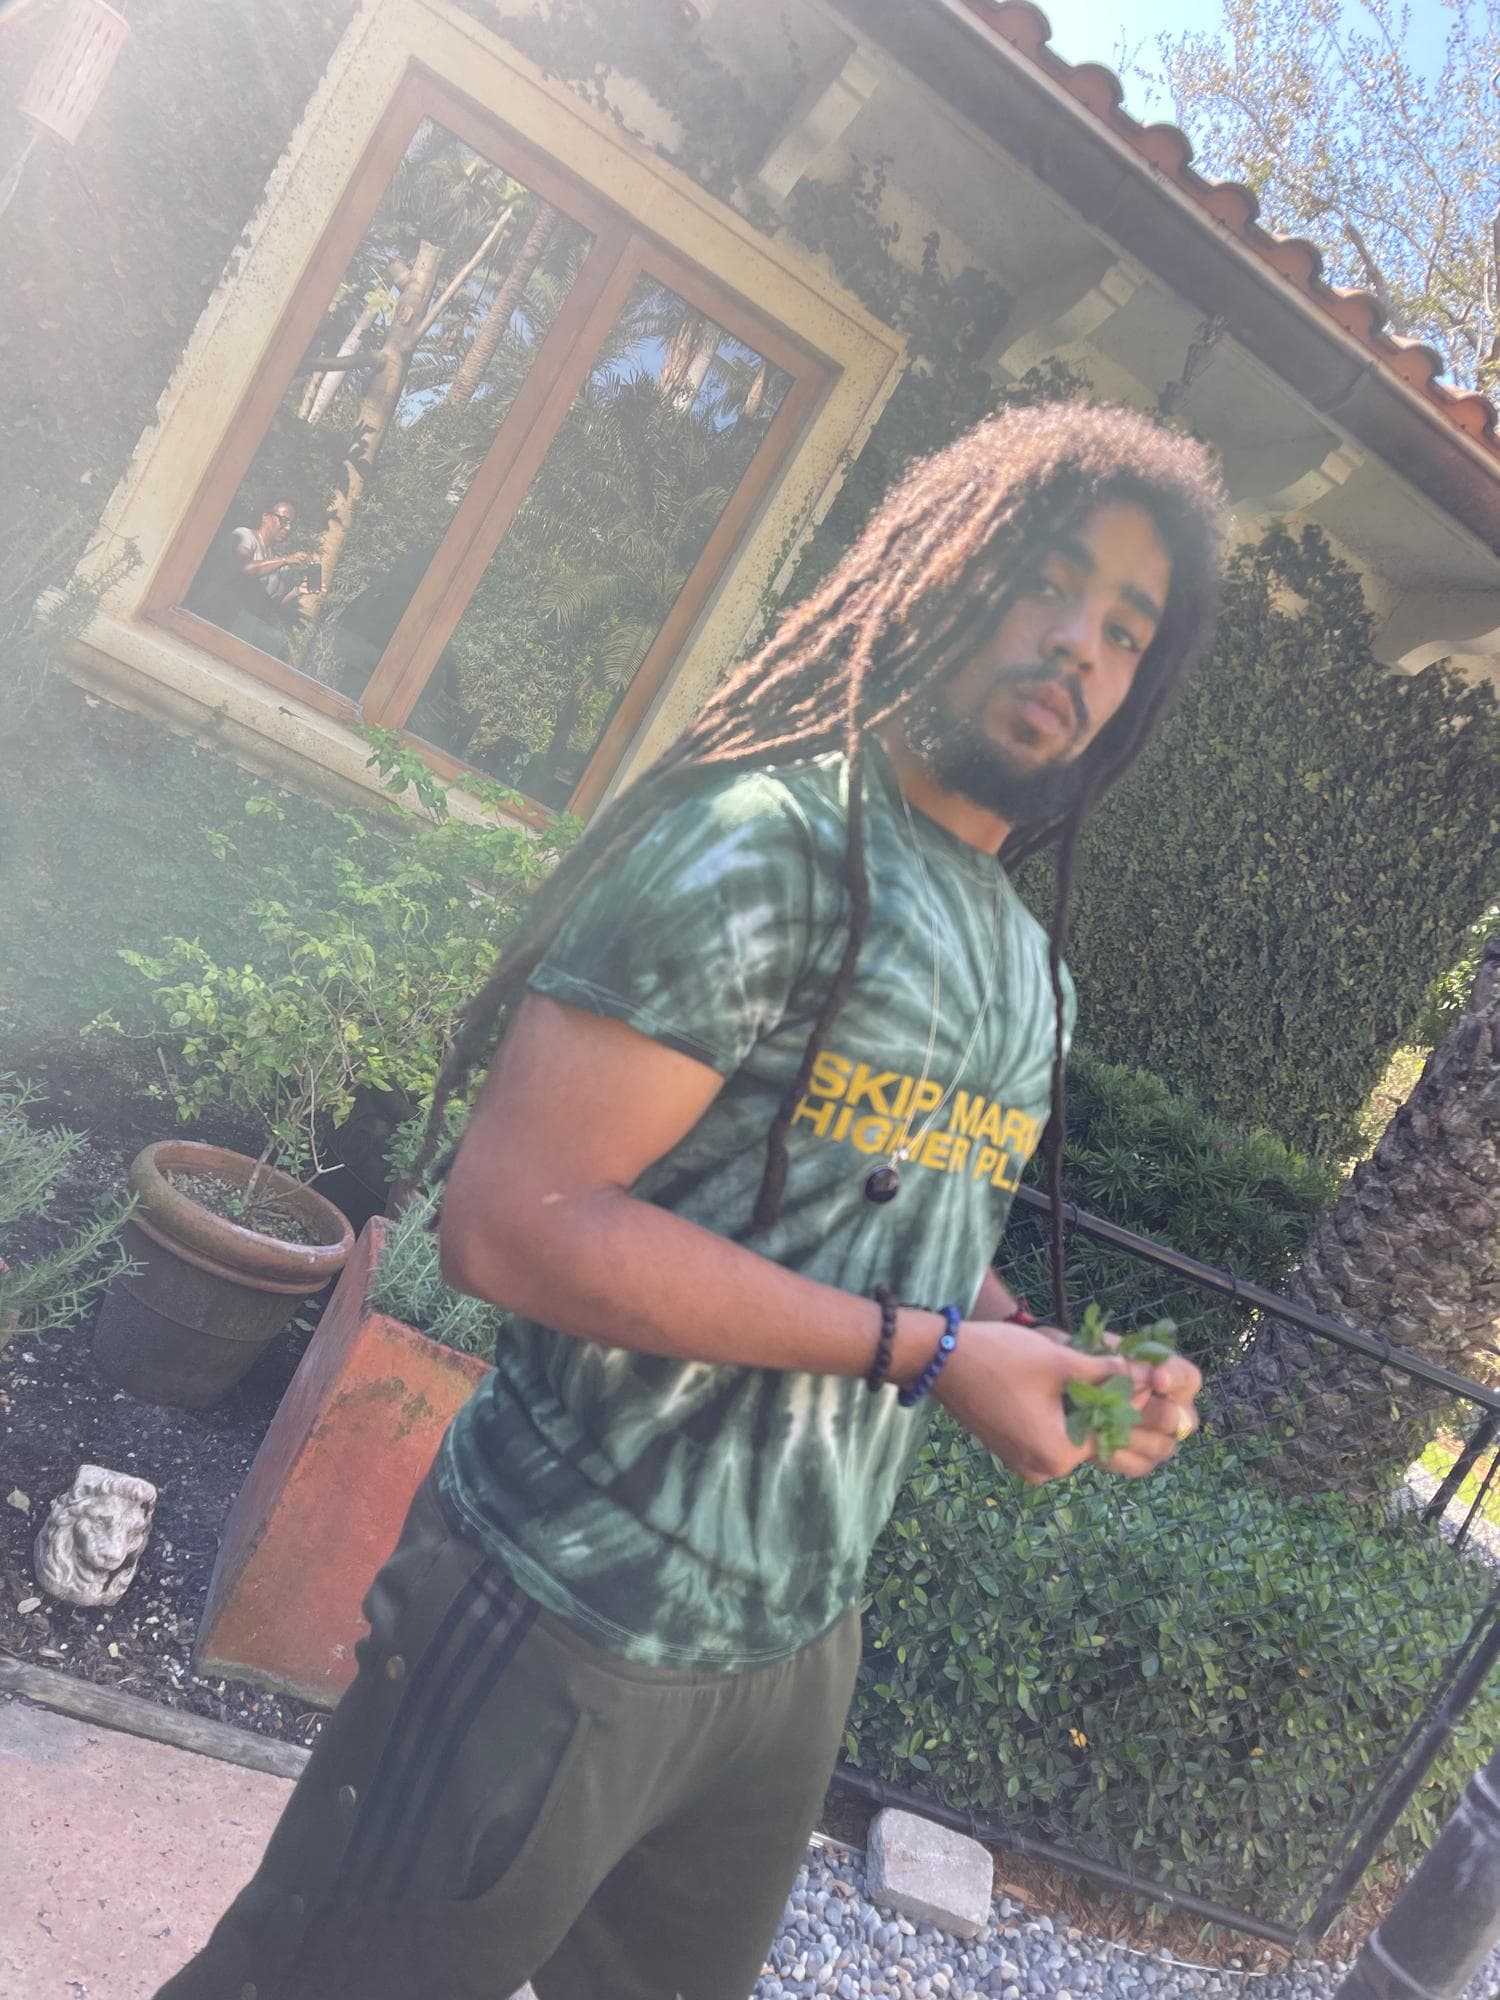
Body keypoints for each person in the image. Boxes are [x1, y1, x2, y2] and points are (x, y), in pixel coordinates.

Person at [157, 401, 1226, 2000]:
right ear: (945, 567)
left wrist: (1042, 1354)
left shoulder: (1026, 965)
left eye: (1125, 627)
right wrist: (938, 1355)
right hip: (556, 1606)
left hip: (791, 1651)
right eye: (1047, 578)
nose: (1078, 641)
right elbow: (512, 1222)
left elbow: (904, 1219)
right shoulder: (757, 850)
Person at [187, 499, 318, 656]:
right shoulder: (245, 536)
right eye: (284, 521)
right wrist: (285, 560)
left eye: (291, 524)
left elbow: (272, 602)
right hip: (219, 619)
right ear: (266, 516)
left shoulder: (276, 560)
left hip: (245, 628)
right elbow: (245, 568)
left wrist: (297, 591)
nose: (288, 528)